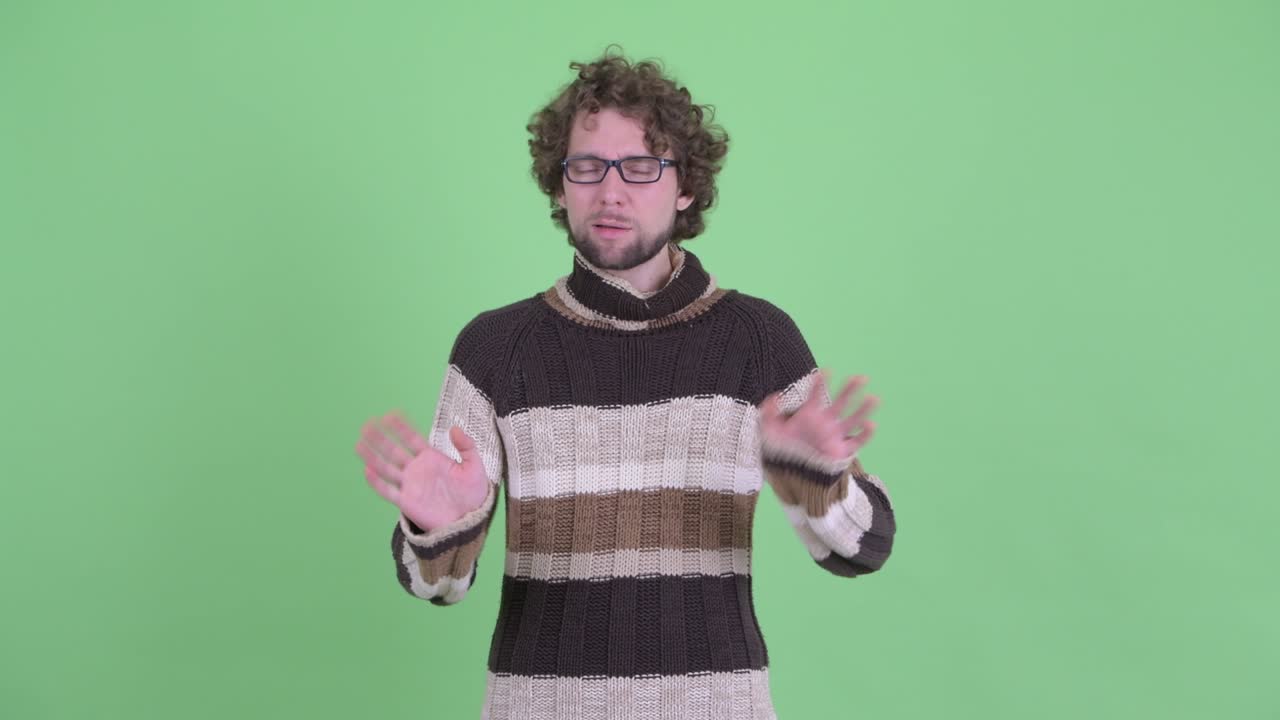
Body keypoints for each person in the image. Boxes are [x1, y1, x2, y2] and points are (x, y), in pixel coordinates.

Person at [354, 47, 897, 720]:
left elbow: (864, 549)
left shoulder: (758, 339)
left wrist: (813, 479)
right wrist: (438, 529)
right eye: (587, 167)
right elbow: (434, 585)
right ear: (559, 186)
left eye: (641, 167)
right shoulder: (494, 348)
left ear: (685, 186)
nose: (610, 192)